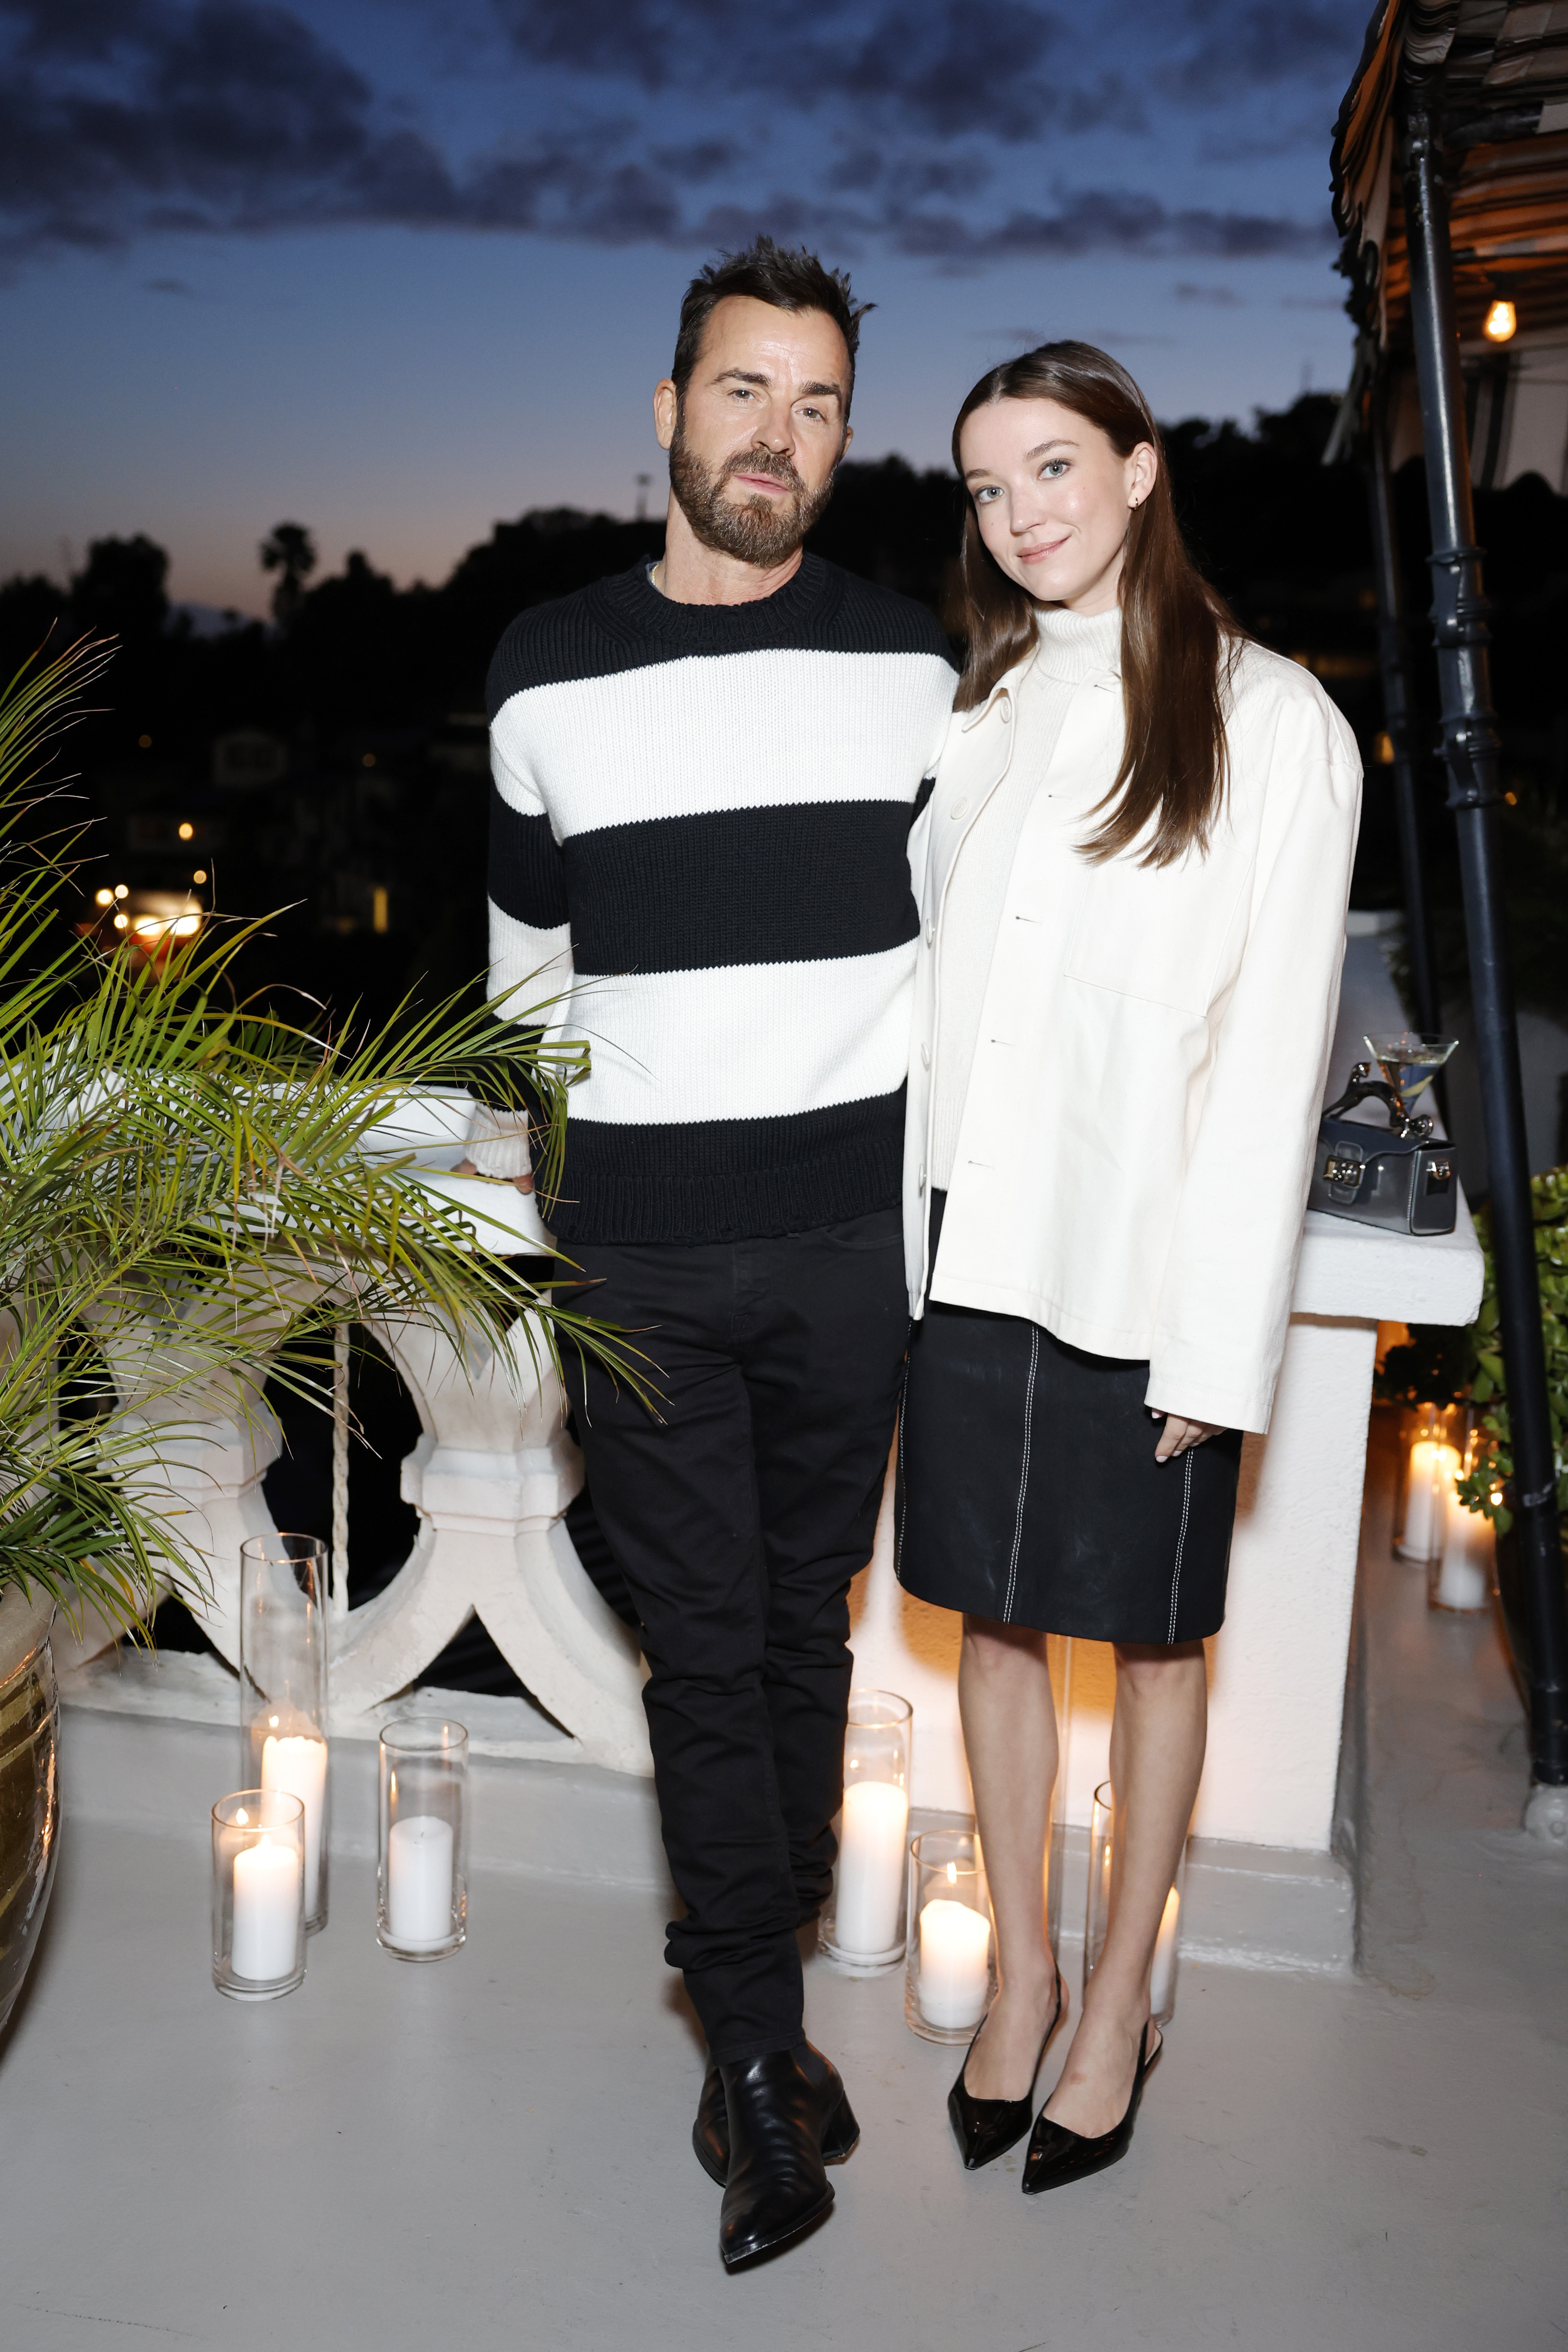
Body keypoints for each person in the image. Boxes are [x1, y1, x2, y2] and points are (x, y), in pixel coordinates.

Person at [473, 240, 955, 2268]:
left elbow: (982, 963)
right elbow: (522, 998)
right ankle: (755, 2064)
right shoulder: (540, 670)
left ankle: (765, 2006)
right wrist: (540, 1242)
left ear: (845, 437)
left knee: (799, 1638)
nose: (779, 434)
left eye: (820, 401)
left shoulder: (916, 667)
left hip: (852, 1245)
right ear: (667, 414)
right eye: (744, 391)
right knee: (703, 1651)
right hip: (643, 1259)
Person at [896, 342, 1360, 2194]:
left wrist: (1215, 1342)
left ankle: (1117, 2010)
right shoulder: (983, 705)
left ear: (1143, 469)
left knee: (1153, 1648)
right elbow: (932, 1001)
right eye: (986, 488)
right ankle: (1022, 1975)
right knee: (990, 1624)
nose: (1018, 516)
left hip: (1147, 1274)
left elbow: (1274, 1054)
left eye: (1051, 469)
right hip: (970, 1245)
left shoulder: (1274, 720)